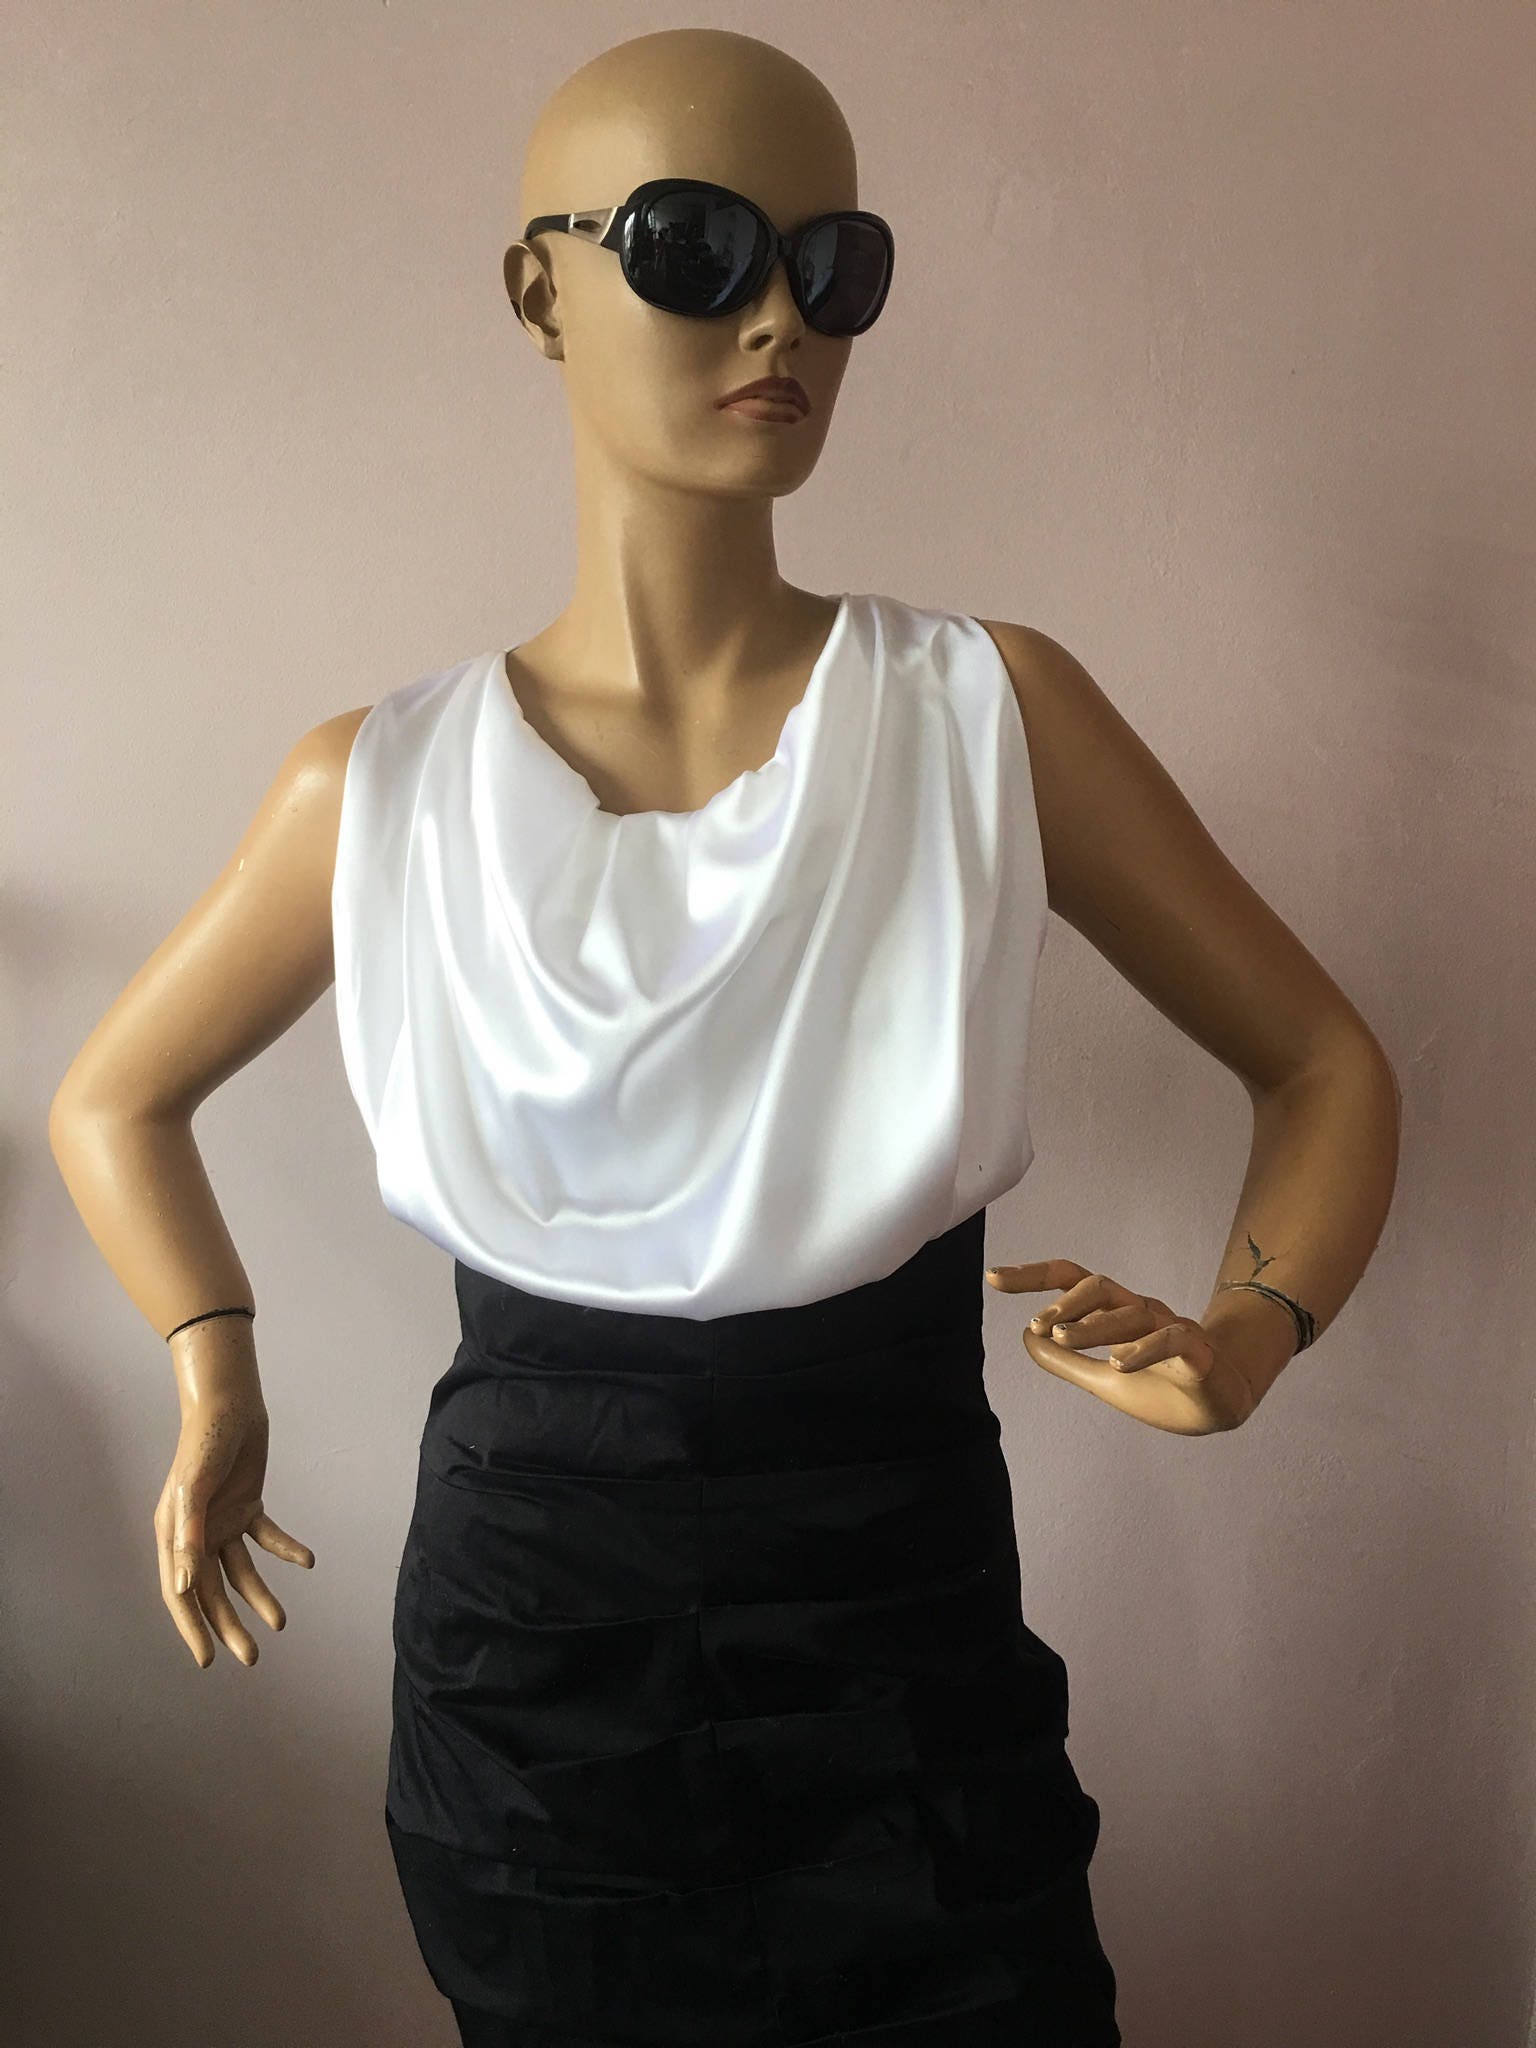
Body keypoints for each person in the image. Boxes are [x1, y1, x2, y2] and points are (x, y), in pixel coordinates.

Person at [48, 26, 1400, 2046]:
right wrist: (213, 1368)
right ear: (541, 290)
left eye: (835, 267)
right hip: (534, 1679)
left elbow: (1325, 1063)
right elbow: (113, 1099)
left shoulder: (987, 714)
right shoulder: (377, 789)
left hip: (902, 1639)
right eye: (694, 246)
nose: (782, 319)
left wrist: (1251, 1333)